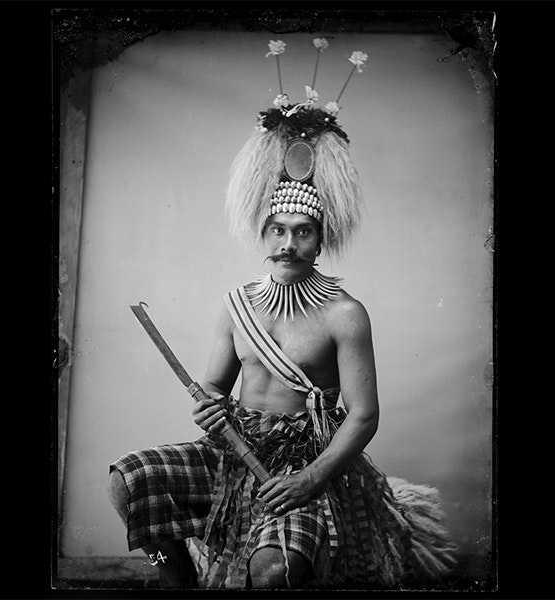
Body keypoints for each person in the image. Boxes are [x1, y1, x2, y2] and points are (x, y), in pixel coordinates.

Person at [108, 39, 456, 589]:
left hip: (303, 464)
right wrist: (208, 410)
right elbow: (213, 387)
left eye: (302, 232)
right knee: (131, 481)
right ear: (263, 237)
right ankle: (179, 582)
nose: (288, 243)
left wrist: (311, 480)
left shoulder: (346, 315)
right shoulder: (236, 304)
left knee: (274, 573)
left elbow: (363, 416)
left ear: (320, 241)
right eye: (278, 231)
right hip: (233, 452)